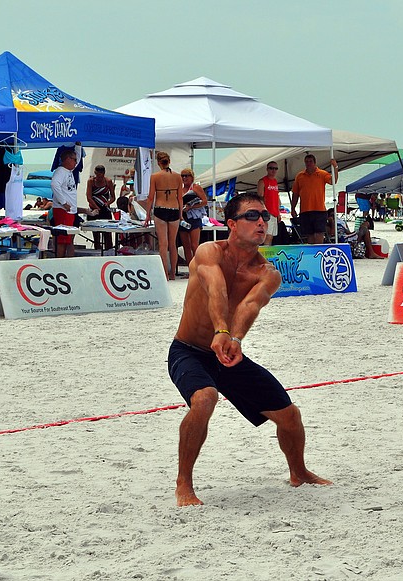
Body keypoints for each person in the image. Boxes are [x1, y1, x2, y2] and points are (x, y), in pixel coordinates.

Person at [169, 192, 331, 506]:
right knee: (204, 399)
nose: (261, 222)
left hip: (228, 352)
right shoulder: (208, 252)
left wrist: (235, 339)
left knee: (290, 416)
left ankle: (299, 472)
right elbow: (216, 288)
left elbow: (249, 306)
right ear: (231, 223)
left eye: (264, 217)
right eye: (252, 216)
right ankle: (184, 484)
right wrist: (221, 330)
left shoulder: (268, 273)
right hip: (189, 350)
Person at [146, 151, 184, 280]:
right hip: (174, 209)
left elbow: (150, 197)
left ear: (158, 162)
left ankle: (165, 274)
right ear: (169, 161)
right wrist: (181, 214)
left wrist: (147, 216)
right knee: (172, 244)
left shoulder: (155, 176)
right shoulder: (178, 177)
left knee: (163, 244)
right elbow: (180, 198)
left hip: (160, 209)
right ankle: (173, 273)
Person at [290, 154, 338, 244]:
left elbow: (333, 181)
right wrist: (293, 208)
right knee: (309, 234)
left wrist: (335, 167)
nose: (308, 164)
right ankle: (312, 254)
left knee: (319, 233)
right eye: (307, 162)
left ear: (315, 163)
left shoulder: (322, 174)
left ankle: (318, 252)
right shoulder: (300, 176)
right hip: (305, 210)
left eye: (310, 161)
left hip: (319, 209)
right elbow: (295, 194)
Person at [50, 149, 79, 258]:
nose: (76, 162)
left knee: (68, 239)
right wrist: (63, 202)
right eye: (74, 160)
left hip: (69, 211)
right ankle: (59, 262)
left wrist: (78, 147)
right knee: (62, 239)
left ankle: (66, 261)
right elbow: (54, 184)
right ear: (67, 159)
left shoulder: (69, 171)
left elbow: (78, 159)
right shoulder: (61, 171)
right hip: (63, 210)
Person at [179, 168, 209, 269]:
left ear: (191, 177)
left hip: (194, 217)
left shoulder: (196, 188)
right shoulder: (180, 189)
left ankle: (198, 268)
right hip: (183, 217)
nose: (184, 178)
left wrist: (191, 206)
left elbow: (204, 201)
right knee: (186, 246)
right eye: (182, 176)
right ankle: (191, 269)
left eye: (186, 175)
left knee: (194, 245)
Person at [85, 165, 116, 250]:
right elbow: (89, 197)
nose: (99, 177)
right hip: (94, 209)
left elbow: (113, 197)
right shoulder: (91, 181)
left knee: (107, 234)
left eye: (101, 175)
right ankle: (97, 250)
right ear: (95, 173)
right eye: (98, 175)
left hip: (105, 209)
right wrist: (96, 207)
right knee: (96, 234)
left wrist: (108, 203)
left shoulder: (108, 181)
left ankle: (108, 250)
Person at [257, 161, 283, 245]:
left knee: (271, 236)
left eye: (275, 168)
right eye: (271, 168)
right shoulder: (262, 181)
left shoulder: (275, 181)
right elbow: (260, 197)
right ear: (267, 169)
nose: (273, 170)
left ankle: (268, 254)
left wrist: (278, 213)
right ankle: (265, 255)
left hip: (274, 213)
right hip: (267, 212)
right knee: (267, 235)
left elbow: (276, 198)